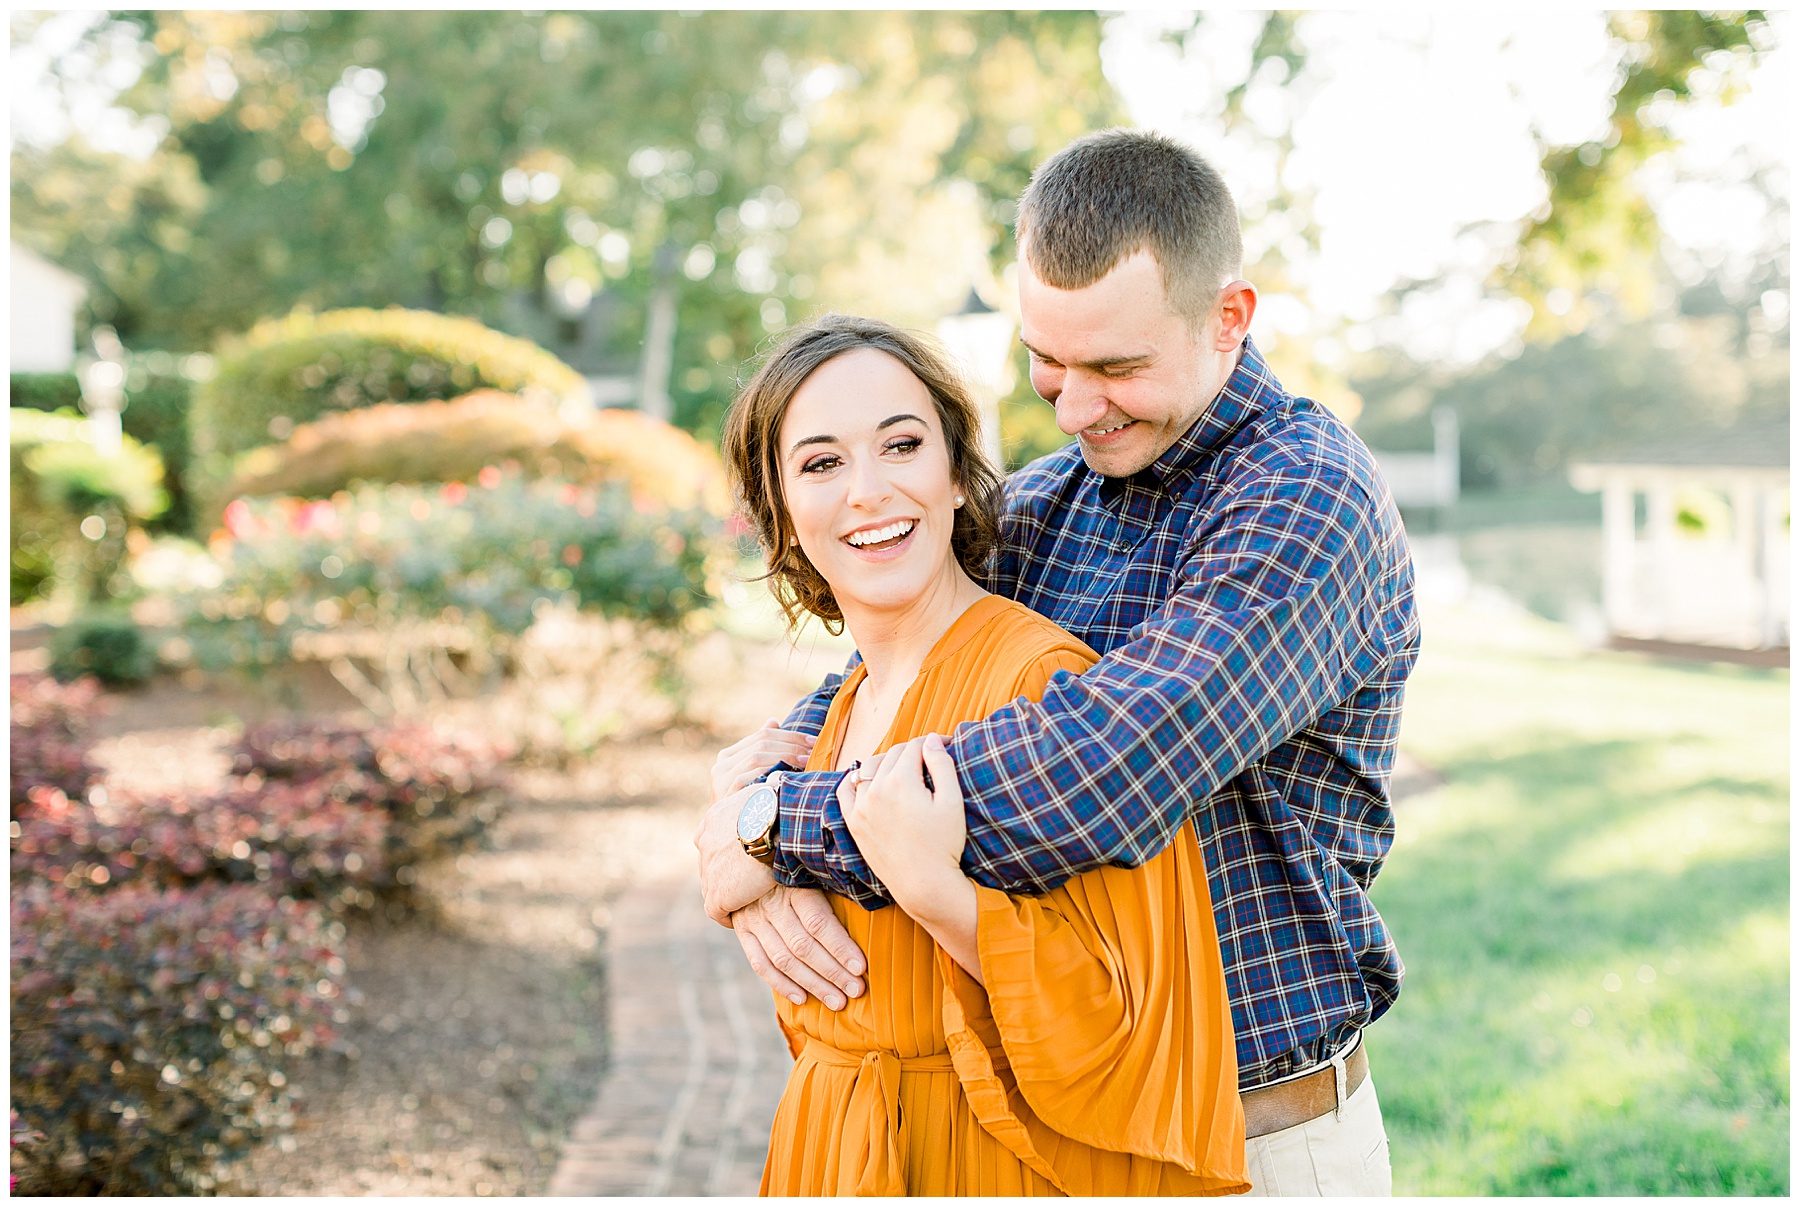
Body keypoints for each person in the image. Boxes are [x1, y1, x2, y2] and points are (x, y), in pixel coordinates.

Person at [697, 128, 1419, 1196]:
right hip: (1055, 1134)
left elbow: (1098, 775)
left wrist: (774, 827)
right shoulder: (1047, 503)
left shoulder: (1305, 499)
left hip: (1257, 1137)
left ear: (1229, 318)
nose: (1075, 407)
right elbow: (870, 693)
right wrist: (738, 807)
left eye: (1117, 368)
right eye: (1048, 361)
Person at [716, 314, 1247, 1195]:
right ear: (780, 512)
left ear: (957, 474)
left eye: (902, 445)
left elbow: (1125, 1017)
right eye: (821, 463)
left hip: (985, 1158)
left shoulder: (1037, 682)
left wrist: (939, 894)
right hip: (832, 1151)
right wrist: (743, 831)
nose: (868, 491)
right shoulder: (824, 723)